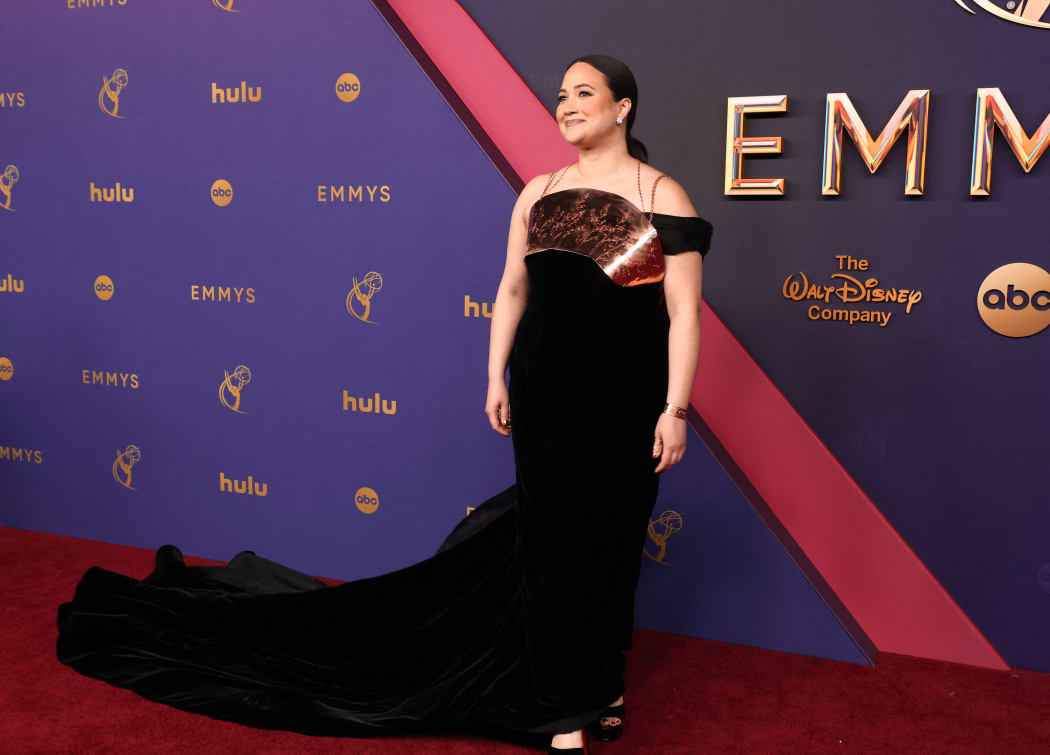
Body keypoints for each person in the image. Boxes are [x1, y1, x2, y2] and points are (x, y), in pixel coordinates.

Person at [55, 54, 713, 755]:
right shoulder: (538, 193)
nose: (568, 104)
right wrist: (495, 377)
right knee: (552, 547)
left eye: (585, 93)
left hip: (623, 400)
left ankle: (604, 683)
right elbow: (513, 292)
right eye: (560, 95)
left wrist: (674, 409)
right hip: (546, 397)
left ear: (623, 109)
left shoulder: (661, 194)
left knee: (611, 541)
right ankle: (562, 705)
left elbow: (684, 312)